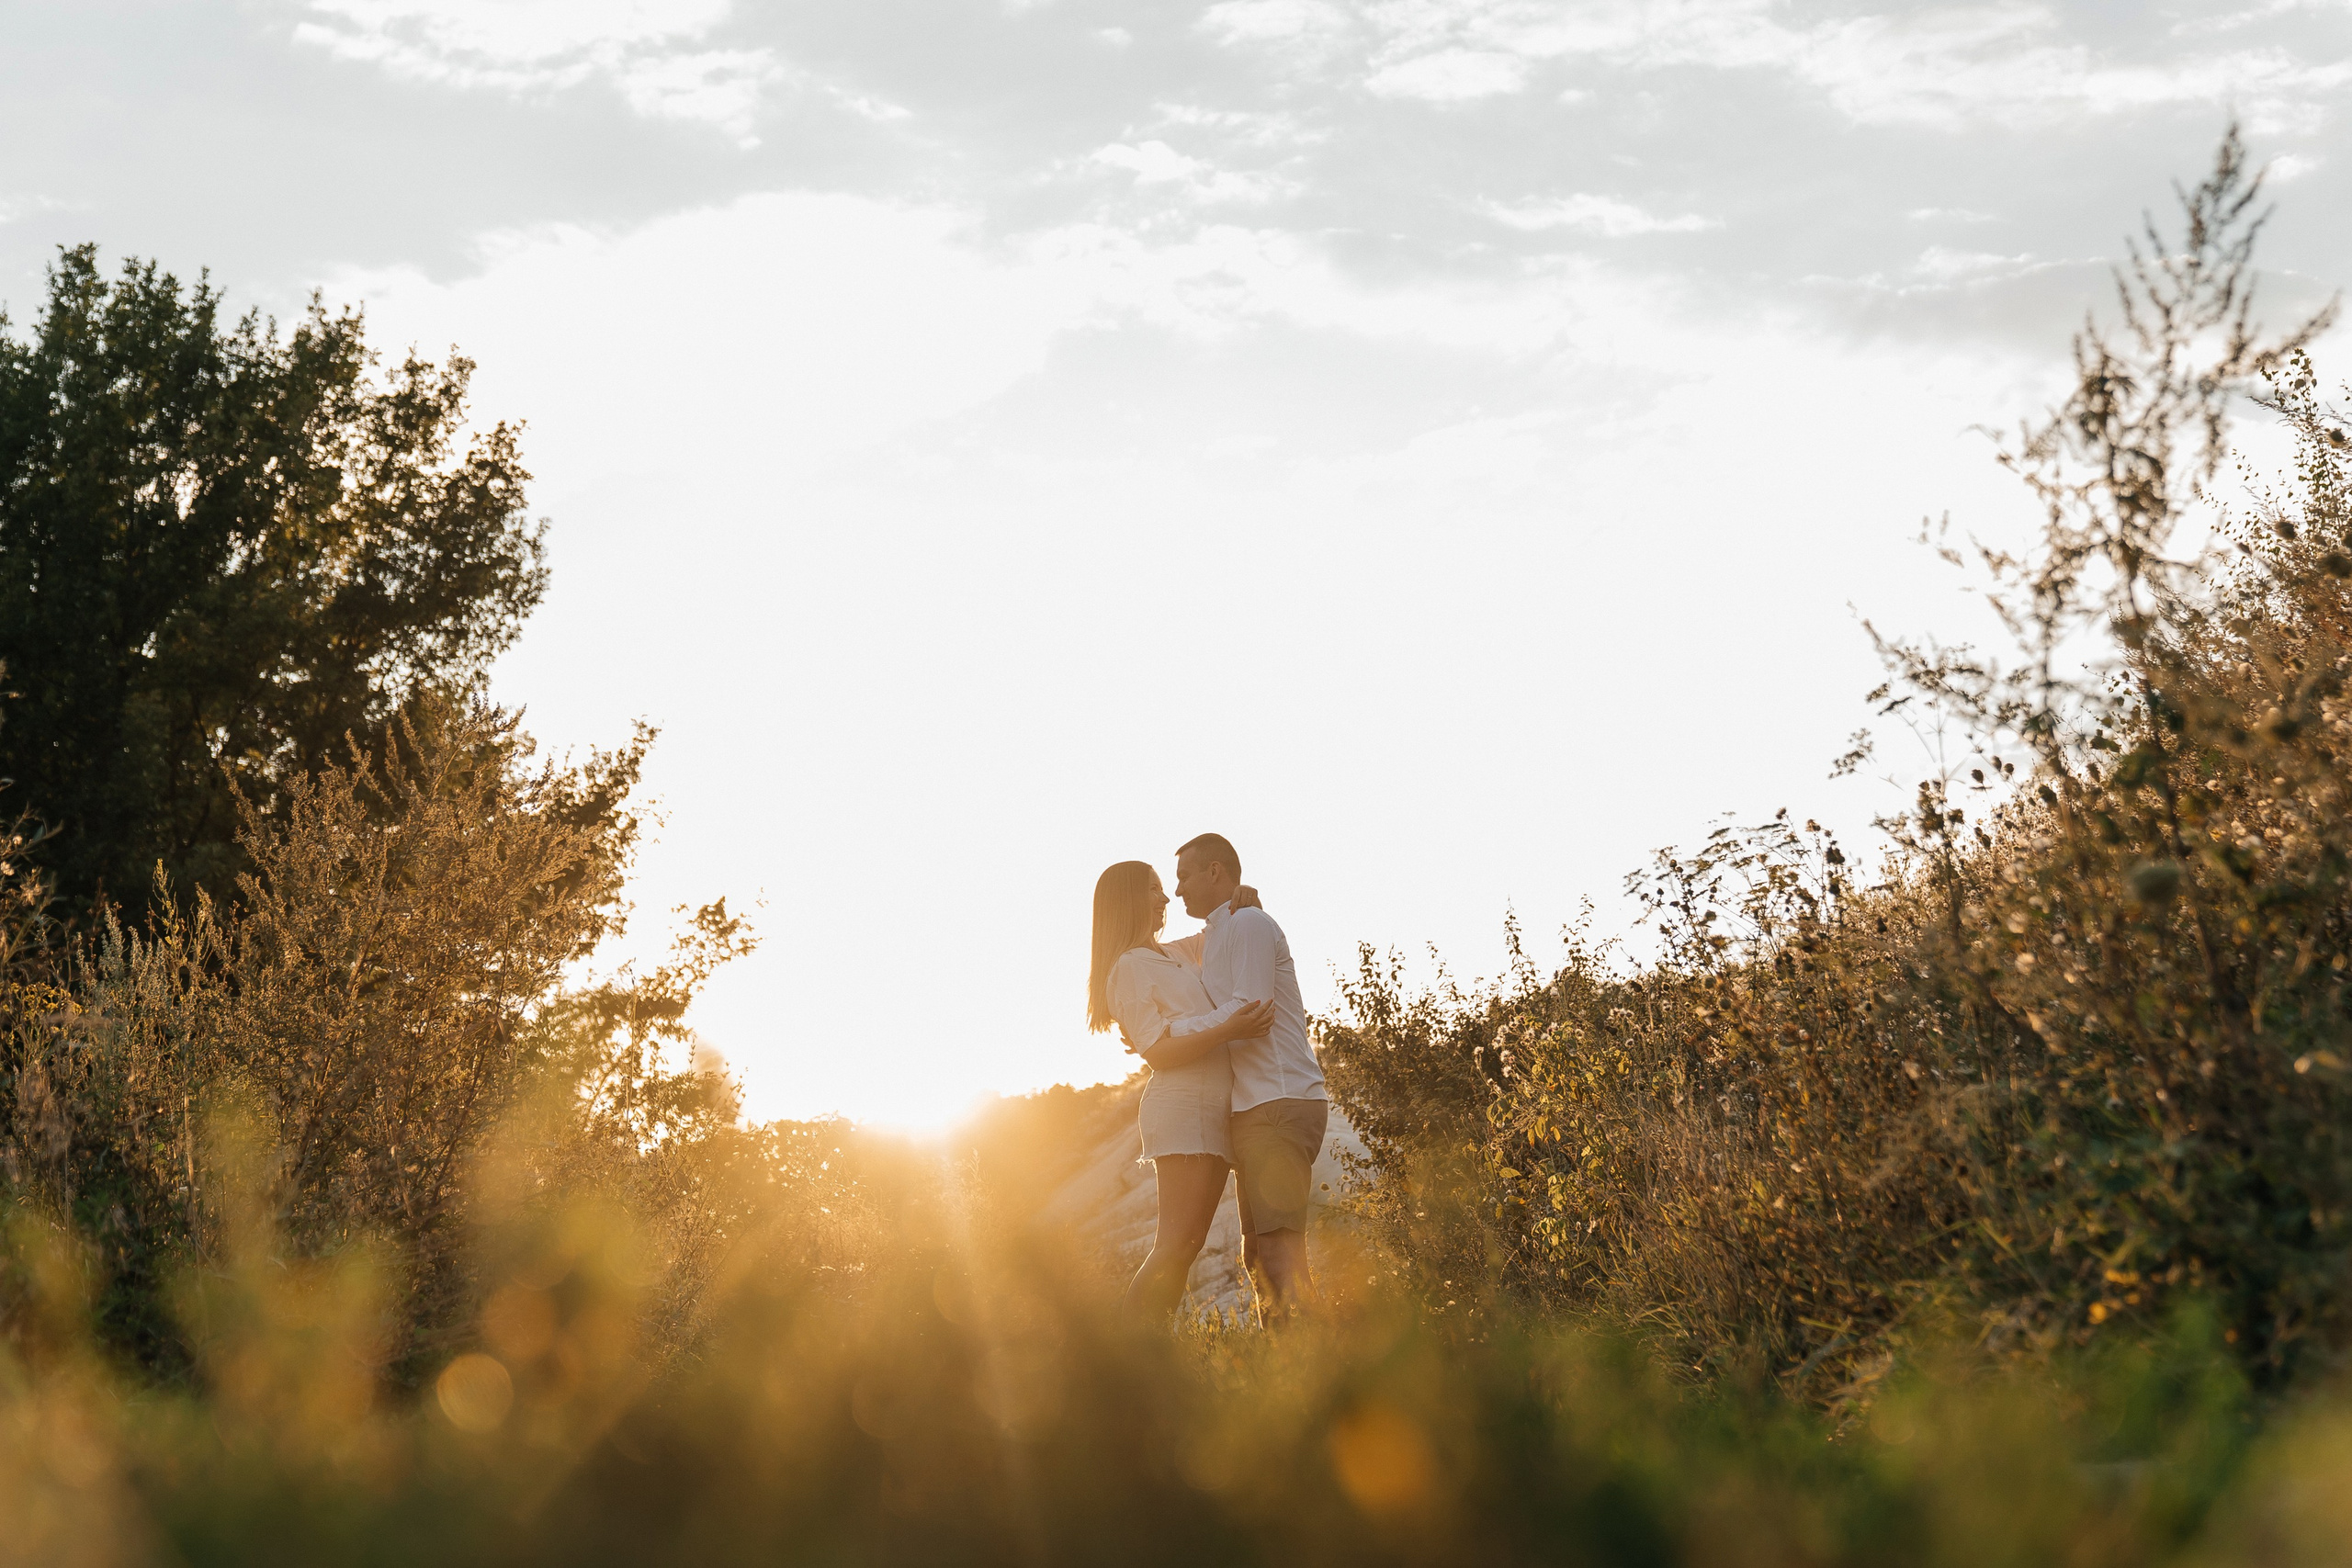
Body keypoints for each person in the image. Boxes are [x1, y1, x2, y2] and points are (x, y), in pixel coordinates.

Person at [1144, 833, 1328, 1323]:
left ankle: (1323, 1377)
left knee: (1281, 1258)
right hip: (1254, 1110)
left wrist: (1170, 1035)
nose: (1177, 890)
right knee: (1258, 1260)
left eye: (1183, 876)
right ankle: (1285, 1374)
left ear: (1215, 872)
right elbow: (1155, 963)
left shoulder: (1248, 924)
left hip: (1280, 1102)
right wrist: (1151, 1033)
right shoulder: (1216, 934)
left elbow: (1250, 1012)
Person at [1089, 860, 1276, 1320]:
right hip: (1181, 1108)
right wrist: (1227, 1028)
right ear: (1126, 900)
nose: (1166, 898)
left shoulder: (1170, 954)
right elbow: (1157, 1051)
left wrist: (1242, 895)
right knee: (1175, 1246)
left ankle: (1141, 1355)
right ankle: (1129, 1355)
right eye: (1153, 890)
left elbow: (1222, 931)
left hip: (1213, 1106)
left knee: (1186, 1245)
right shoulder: (1127, 967)